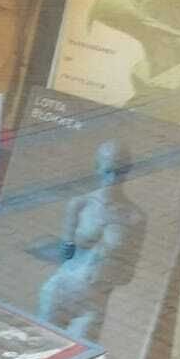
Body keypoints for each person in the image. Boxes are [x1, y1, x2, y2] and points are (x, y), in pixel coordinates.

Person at [38, 140, 147, 341]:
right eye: (108, 171)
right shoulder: (80, 204)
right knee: (43, 347)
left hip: (94, 302)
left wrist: (108, 267)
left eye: (119, 172)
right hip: (62, 289)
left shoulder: (134, 217)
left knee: (79, 353)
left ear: (128, 171)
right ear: (98, 168)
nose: (112, 179)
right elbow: (64, 254)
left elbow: (128, 274)